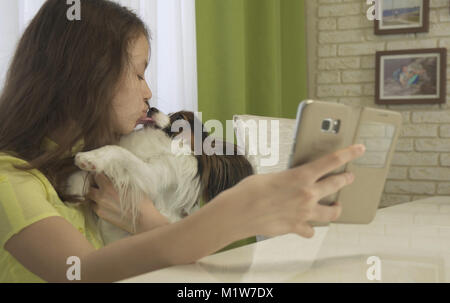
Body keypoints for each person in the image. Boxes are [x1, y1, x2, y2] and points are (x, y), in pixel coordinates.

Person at [0, 0, 365, 283]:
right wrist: (236, 213)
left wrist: (146, 220)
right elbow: (83, 271)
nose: (149, 92)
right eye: (139, 74)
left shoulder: (99, 166)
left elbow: (182, 271)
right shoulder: (10, 179)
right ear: (86, 74)